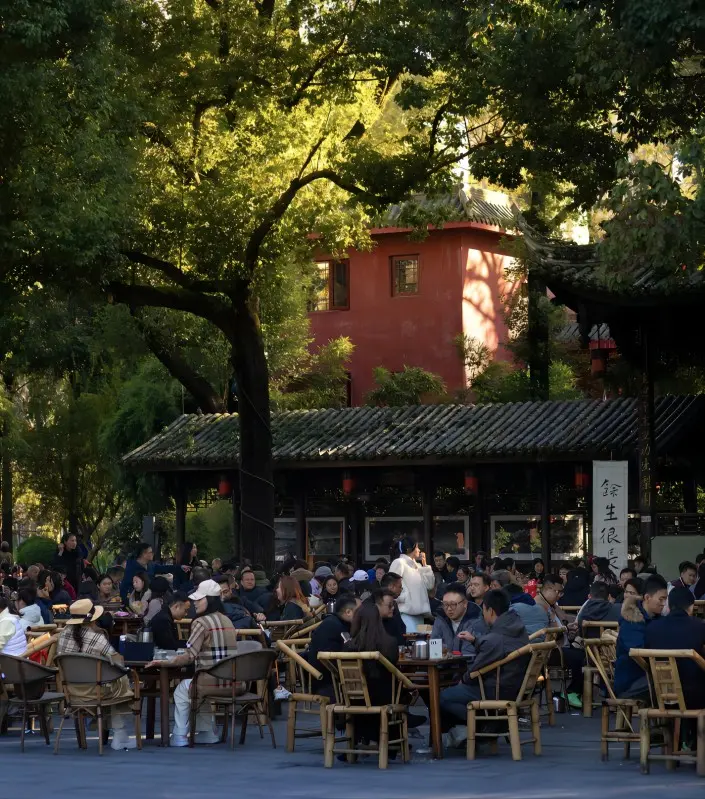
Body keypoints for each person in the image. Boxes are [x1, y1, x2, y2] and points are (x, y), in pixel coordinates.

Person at [147, 579, 239, 746]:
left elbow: (189, 655)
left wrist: (164, 663)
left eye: (199, 599)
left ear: (209, 600)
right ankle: (208, 733)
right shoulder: (228, 621)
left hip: (210, 682)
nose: (195, 603)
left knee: (182, 691)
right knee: (196, 690)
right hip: (233, 681)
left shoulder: (200, 622)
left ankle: (180, 735)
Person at [439, 590, 530, 748]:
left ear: (490, 610)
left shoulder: (495, 639)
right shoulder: (515, 626)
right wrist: (475, 640)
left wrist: (463, 679)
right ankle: (483, 726)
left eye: (484, 611)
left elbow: (474, 672)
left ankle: (485, 724)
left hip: (494, 689)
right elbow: (495, 646)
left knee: (442, 697)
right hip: (513, 685)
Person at [56, 599, 136, 750]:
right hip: (96, 691)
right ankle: (119, 733)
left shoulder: (62, 635)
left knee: (111, 681)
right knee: (121, 679)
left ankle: (107, 726)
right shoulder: (97, 638)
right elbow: (118, 660)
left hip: (72, 692)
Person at [345, 601, 409, 745]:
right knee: (398, 689)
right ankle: (392, 741)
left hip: (354, 697)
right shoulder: (390, 643)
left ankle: (359, 738)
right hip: (383, 698)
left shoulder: (349, 646)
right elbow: (393, 667)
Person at [644, 587, 705, 709]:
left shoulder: (652, 627)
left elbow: (646, 658)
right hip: (695, 696)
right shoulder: (699, 626)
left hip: (661, 694)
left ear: (669, 605)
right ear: (691, 606)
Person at [614, 574, 668, 699]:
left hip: (648, 675)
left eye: (665, 599)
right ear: (647, 597)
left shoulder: (656, 619)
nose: (664, 604)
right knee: (680, 682)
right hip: (630, 683)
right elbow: (638, 651)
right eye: (661, 599)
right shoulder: (632, 620)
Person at [308, 595, 359, 694]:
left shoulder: (338, 623)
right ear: (348, 612)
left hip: (331, 681)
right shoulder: (333, 626)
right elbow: (331, 660)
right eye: (359, 612)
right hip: (329, 685)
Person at [389, 537, 435, 632]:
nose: (419, 550)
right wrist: (404, 597)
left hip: (420, 614)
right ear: (411, 548)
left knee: (419, 643)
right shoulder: (399, 562)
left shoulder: (417, 566)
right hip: (406, 613)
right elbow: (390, 586)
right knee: (411, 642)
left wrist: (425, 565)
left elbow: (430, 585)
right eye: (417, 547)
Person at [431, 583, 482, 657]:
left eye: (453, 604)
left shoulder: (476, 618)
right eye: (445, 604)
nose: (449, 609)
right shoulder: (441, 618)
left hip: (467, 666)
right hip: (442, 665)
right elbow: (434, 647)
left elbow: (470, 654)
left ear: (465, 603)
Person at [380, 573, 407, 644]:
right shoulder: (374, 603)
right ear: (391, 586)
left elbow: (401, 626)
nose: (401, 590)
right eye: (400, 587)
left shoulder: (394, 603)